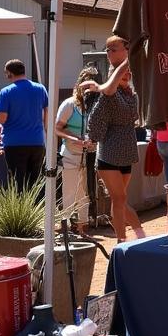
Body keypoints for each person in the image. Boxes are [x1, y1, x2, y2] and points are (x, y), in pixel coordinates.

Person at [84, 52, 146, 243]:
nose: (126, 75)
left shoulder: (132, 96)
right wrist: (92, 138)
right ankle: (130, 237)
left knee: (118, 200)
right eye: (121, 73)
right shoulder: (108, 94)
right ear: (113, 75)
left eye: (128, 72)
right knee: (120, 199)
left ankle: (128, 237)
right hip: (109, 154)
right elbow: (96, 120)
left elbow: (133, 117)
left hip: (126, 154)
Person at [55, 67, 98, 233]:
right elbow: (57, 128)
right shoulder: (69, 104)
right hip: (71, 154)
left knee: (85, 192)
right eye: (85, 85)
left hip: (90, 155)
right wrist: (75, 139)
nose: (88, 90)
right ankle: (65, 224)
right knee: (69, 191)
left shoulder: (97, 104)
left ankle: (82, 225)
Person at [0, 59, 48, 190]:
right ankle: (36, 210)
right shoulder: (40, 88)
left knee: (16, 183)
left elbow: (2, 118)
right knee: (35, 183)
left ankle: (20, 210)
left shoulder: (6, 92)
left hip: (14, 143)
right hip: (37, 141)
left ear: (9, 73)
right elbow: (47, 112)